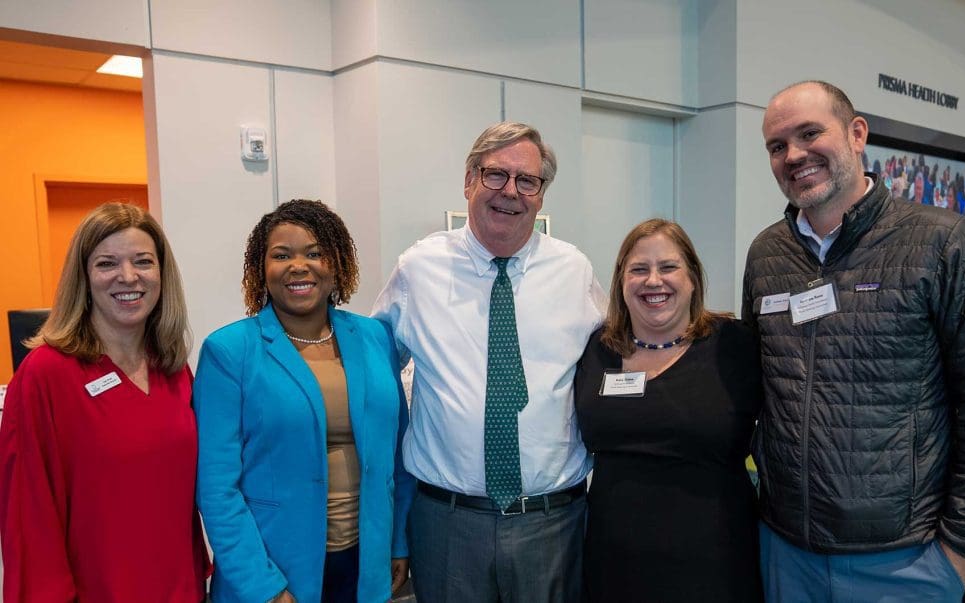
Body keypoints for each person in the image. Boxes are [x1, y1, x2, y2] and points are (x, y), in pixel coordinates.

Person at [743, 80, 965, 602]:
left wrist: (960, 550)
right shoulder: (766, 254)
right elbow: (756, 386)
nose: (794, 156)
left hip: (905, 561)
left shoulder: (942, 243)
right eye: (777, 146)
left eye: (809, 134)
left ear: (856, 134)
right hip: (786, 552)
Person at [372, 122, 605, 602]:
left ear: (541, 195)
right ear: (468, 180)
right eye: (496, 175)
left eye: (528, 181)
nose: (511, 192)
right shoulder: (419, 269)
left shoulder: (574, 270)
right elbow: (372, 371)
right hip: (448, 523)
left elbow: (614, 361)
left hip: (553, 523)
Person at [194, 199, 413, 603]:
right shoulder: (229, 351)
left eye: (315, 253)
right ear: (261, 268)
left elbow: (399, 455)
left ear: (338, 264)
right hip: (274, 570)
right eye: (282, 255)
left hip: (366, 563)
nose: (299, 266)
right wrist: (262, 585)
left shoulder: (375, 338)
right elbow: (216, 486)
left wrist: (398, 540)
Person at [0, 202, 210, 602]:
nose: (128, 276)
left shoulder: (172, 370)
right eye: (106, 263)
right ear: (84, 277)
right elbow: (28, 521)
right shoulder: (45, 375)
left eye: (143, 261)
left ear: (162, 275)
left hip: (180, 588)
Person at [575, 219, 763, 602]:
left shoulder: (736, 345)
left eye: (668, 267)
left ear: (693, 277)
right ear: (621, 282)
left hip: (715, 562)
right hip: (615, 563)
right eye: (639, 269)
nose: (653, 280)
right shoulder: (597, 349)